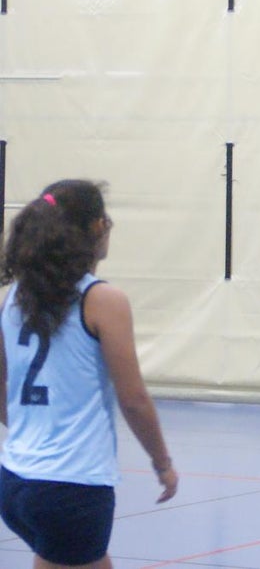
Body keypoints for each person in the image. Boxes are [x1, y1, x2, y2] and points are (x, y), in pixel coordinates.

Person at [0, 180, 179, 569]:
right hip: (73, 489)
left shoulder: (15, 296)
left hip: (14, 481)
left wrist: (33, 430)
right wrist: (162, 462)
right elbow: (133, 399)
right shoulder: (101, 300)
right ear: (98, 227)